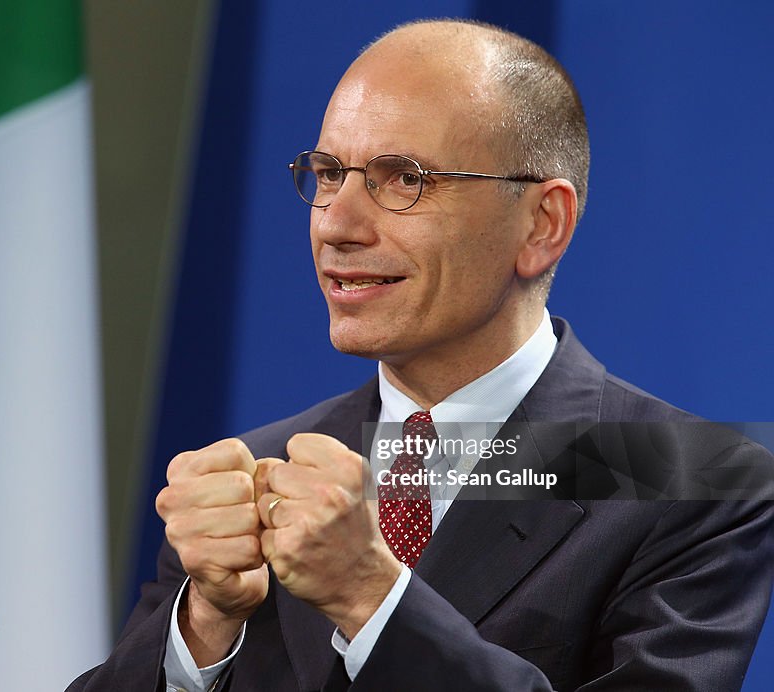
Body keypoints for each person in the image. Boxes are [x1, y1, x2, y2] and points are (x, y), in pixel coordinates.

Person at [67, 19, 773, 691]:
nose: (336, 224)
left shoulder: (688, 479)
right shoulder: (260, 465)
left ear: (542, 224)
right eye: (328, 172)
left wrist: (371, 595)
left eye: (403, 178)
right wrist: (204, 627)